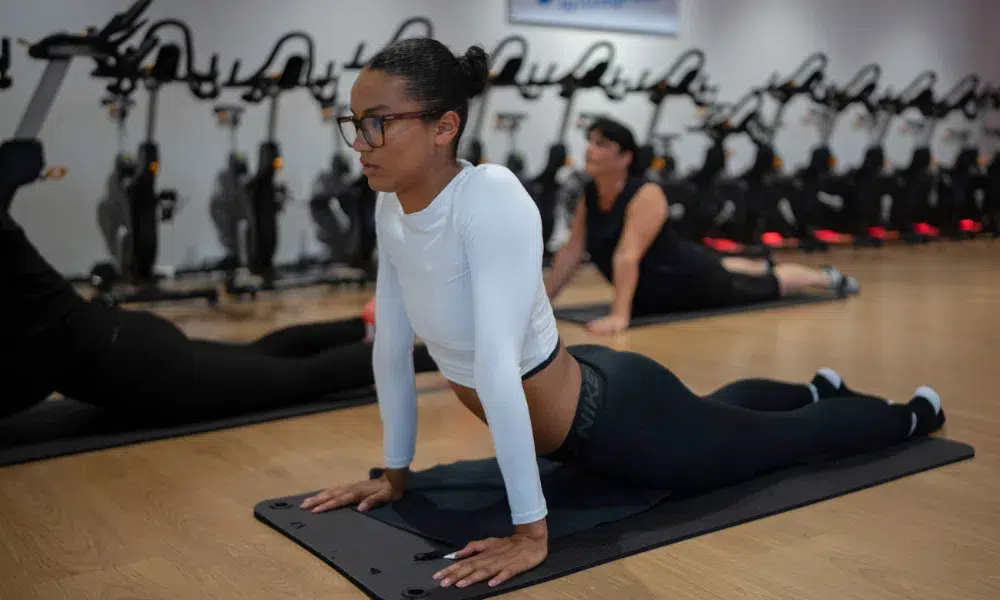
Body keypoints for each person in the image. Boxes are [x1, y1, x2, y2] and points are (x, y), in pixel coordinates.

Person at [299, 38, 947, 591]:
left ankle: (914, 414)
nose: (363, 142)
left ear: (444, 127)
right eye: (355, 123)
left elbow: (497, 366)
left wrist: (531, 531)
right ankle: (815, 389)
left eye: (379, 122)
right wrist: (394, 474)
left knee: (778, 446)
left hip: (615, 422)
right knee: (722, 416)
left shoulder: (489, 199)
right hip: (588, 399)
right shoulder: (393, 208)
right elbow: (390, 346)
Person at [0, 140, 438, 422]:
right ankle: (365, 324)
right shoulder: (22, 286)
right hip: (132, 342)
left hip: (147, 370)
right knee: (263, 353)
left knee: (301, 380)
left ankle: (436, 355)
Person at [544, 116, 861, 334]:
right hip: (662, 283)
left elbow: (628, 255)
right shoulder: (590, 194)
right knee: (731, 264)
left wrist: (619, 316)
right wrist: (543, 303)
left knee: (768, 284)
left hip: (690, 282)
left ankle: (825, 277)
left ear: (625, 156)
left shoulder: (646, 193)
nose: (589, 149)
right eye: (591, 142)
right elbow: (572, 251)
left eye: (601, 144)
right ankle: (756, 265)